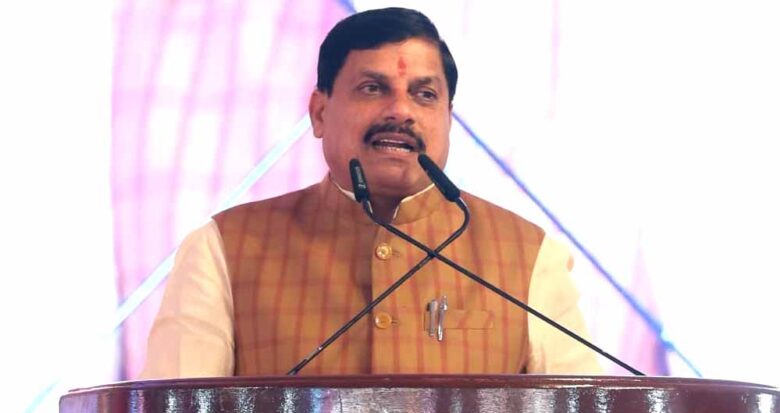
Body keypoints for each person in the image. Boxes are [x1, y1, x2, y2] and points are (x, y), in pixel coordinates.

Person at [141, 7, 601, 378]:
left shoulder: (528, 255)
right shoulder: (224, 248)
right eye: (372, 88)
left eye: (424, 95)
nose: (400, 110)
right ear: (320, 113)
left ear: (448, 118)